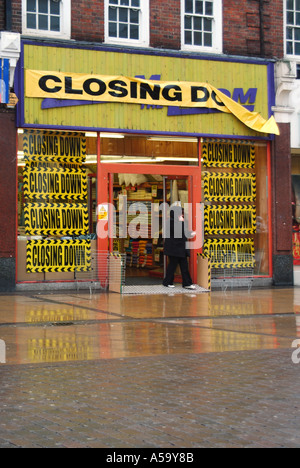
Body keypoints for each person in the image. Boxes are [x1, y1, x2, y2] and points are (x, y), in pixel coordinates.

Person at [163, 205, 196, 290]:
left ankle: (186, 283)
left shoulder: (176, 222)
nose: (181, 215)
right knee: (173, 266)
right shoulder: (170, 222)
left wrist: (190, 233)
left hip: (179, 249)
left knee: (183, 266)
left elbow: (183, 232)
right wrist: (182, 223)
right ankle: (168, 282)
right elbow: (180, 232)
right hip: (174, 249)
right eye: (180, 214)